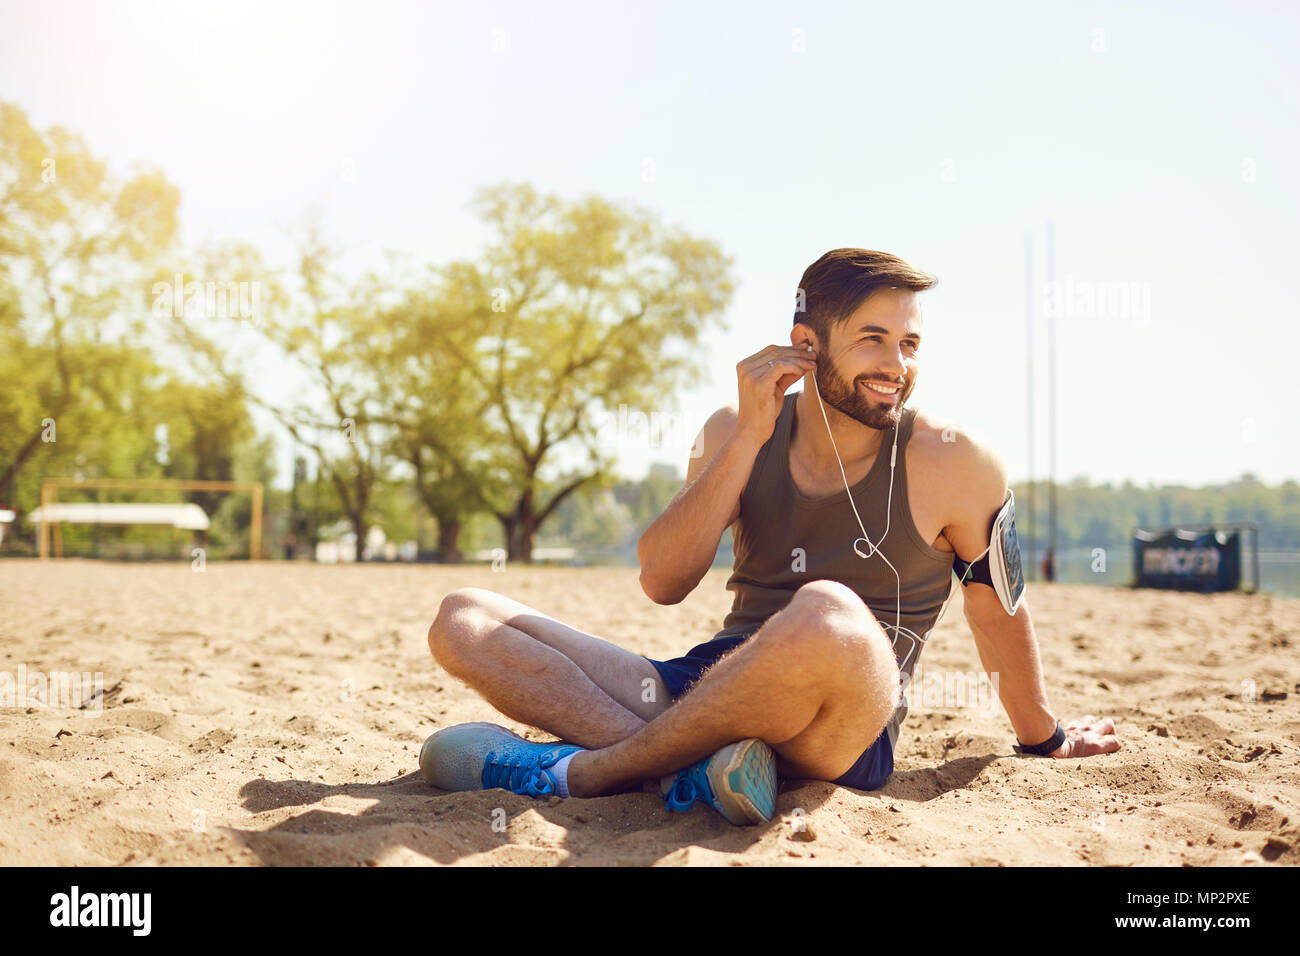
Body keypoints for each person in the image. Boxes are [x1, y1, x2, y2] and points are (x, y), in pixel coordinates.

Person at [420, 248, 1120, 825]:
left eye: (908, 343)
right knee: (463, 617)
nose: (897, 366)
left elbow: (996, 607)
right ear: (806, 346)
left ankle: (590, 772)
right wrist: (750, 437)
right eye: (872, 339)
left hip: (846, 720)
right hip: (708, 689)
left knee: (827, 610)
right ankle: (696, 767)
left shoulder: (955, 457)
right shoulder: (734, 430)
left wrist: (1045, 736)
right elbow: (663, 581)